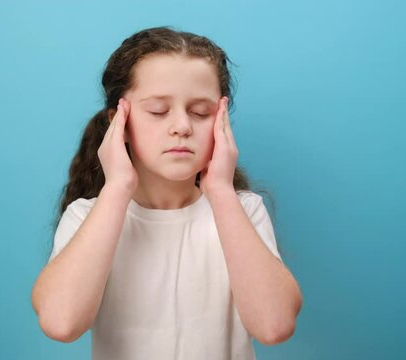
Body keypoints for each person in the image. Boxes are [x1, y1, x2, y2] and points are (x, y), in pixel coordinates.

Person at [31, 26, 302, 360]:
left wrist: (220, 190)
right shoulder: (87, 217)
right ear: (120, 122)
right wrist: (117, 187)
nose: (182, 126)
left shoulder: (242, 210)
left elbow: (274, 326)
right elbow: (61, 322)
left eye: (201, 112)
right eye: (158, 111)